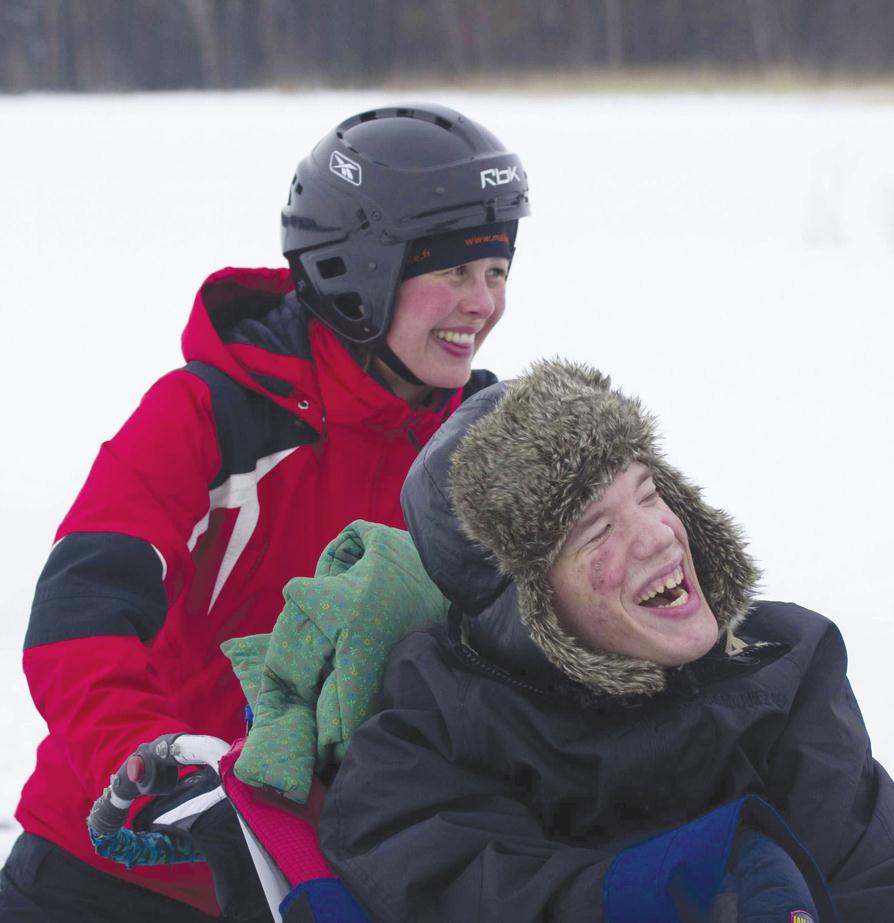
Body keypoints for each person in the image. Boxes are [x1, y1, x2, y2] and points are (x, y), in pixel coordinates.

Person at [0, 103, 530, 922]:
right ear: (362, 270)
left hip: (319, 886)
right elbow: (78, 615)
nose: (482, 303)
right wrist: (143, 757)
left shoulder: (480, 443)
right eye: (455, 272)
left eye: (496, 272)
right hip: (111, 876)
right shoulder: (211, 416)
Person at [319, 359, 894, 922]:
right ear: (526, 607)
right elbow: (472, 889)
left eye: (648, 494)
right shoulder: (435, 730)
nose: (659, 536)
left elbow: (872, 867)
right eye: (597, 531)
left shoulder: (787, 663)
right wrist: (667, 887)